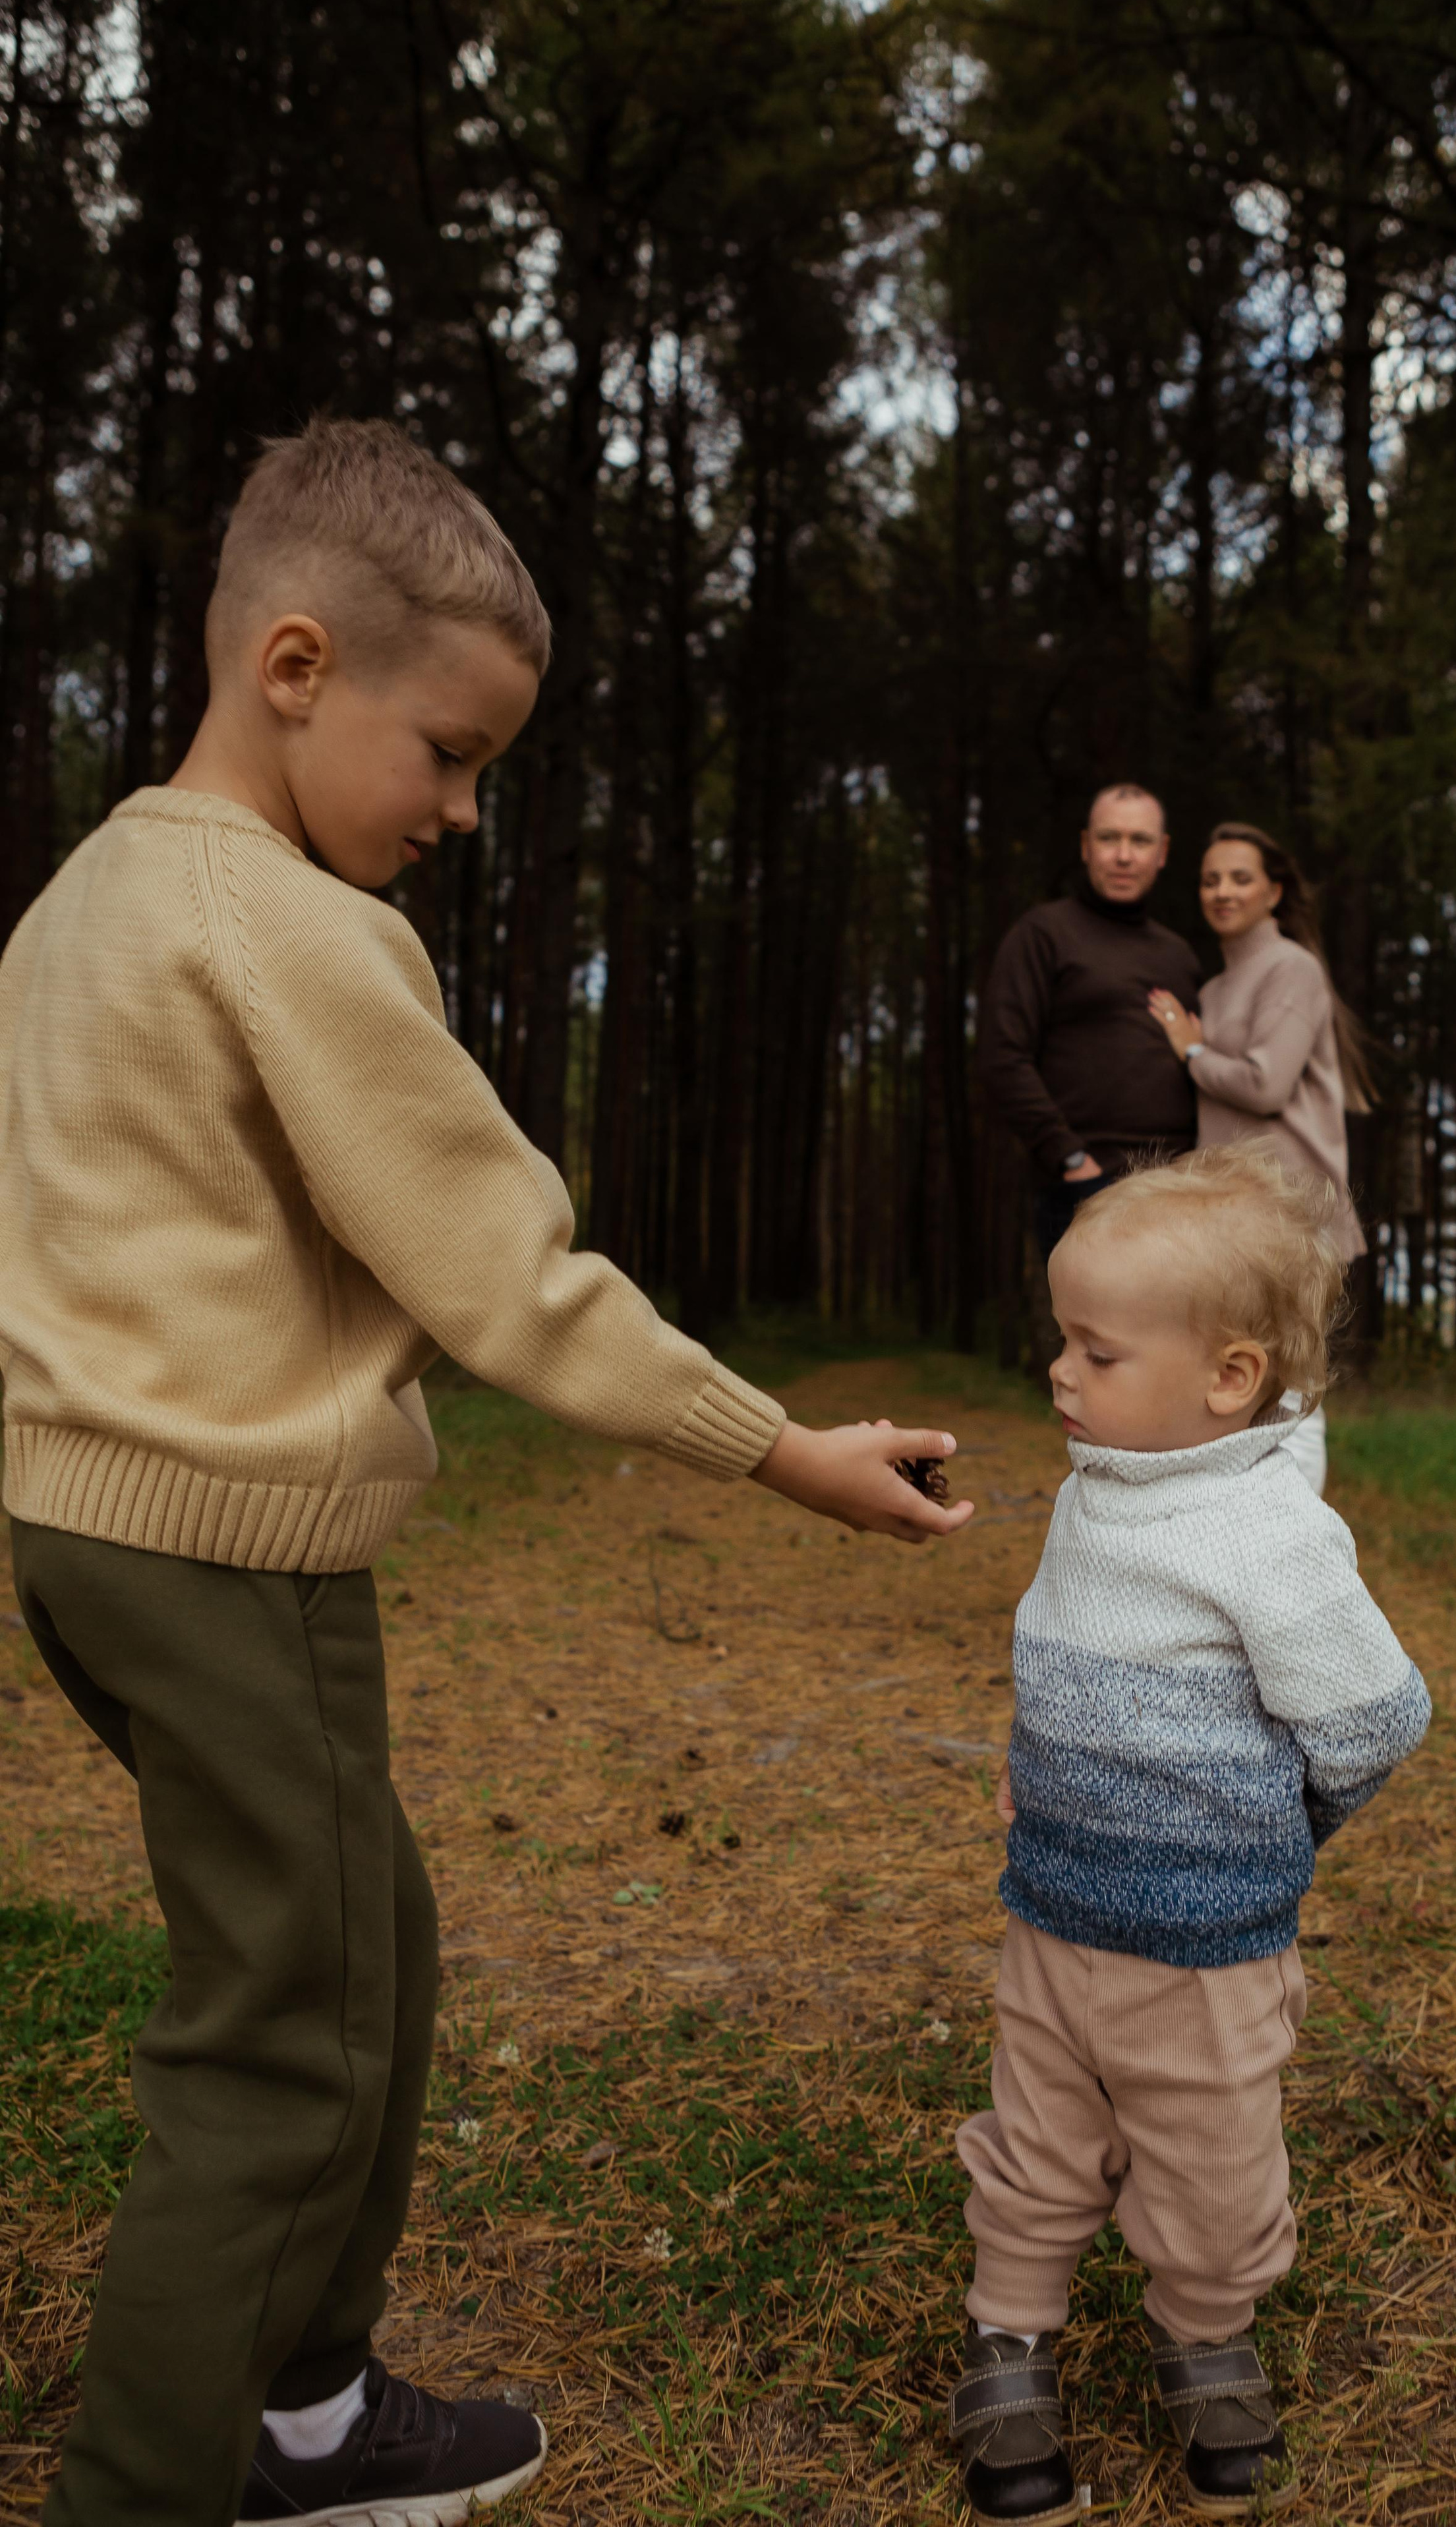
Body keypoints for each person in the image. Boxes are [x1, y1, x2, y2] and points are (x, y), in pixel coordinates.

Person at [0, 417, 973, 2527]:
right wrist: (780, 1444)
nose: (457, 806)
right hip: (220, 1552)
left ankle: (312, 2410)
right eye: (446, 751)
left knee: (368, 1951)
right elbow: (503, 1269)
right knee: (280, 2041)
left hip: (89, 1529)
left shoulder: (81, 902)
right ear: (291, 666)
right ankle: (167, 2479)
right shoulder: (290, 930)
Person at [945, 1147, 1429, 2524]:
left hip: (1204, 1956)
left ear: (1226, 1378)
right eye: (1061, 1340)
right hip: (1050, 1919)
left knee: (1211, 2173)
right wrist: (1040, 1766)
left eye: (1094, 1351)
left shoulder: (1266, 1533)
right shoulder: (1107, 1479)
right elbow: (1075, 1654)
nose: (1057, 1372)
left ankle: (1205, 2332)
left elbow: (1375, 1718)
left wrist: (1275, 1832)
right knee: (1033, 2149)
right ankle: (1010, 2337)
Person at [1149, 824, 1373, 1497]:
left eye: (1239, 878)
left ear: (1273, 891)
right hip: (1237, 1212)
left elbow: (1267, 1085)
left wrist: (1190, 1053)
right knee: (1243, 1381)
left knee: (1294, 1387)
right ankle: (1251, 1540)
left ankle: (1300, 1551)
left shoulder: (1291, 969)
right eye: (1210, 879)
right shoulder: (1216, 991)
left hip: (1295, 1208)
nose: (1222, 891)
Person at [979, 783, 1202, 1262]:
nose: (1124, 856)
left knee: (1174, 1339)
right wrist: (1069, 1158)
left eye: (1140, 841)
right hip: (1089, 1187)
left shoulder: (1179, 956)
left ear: (1162, 853)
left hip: (1178, 1192)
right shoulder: (1044, 934)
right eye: (1109, 838)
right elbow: (1003, 1055)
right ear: (1085, 846)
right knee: (1096, 1339)